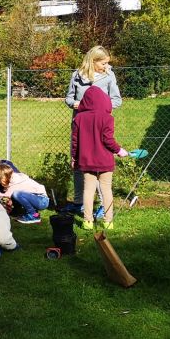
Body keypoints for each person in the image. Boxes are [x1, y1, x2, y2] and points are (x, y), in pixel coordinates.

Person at [64, 46, 122, 216]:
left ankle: (103, 206)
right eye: (103, 63)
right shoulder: (77, 75)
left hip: (99, 128)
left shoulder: (109, 76)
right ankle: (78, 203)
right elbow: (69, 98)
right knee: (78, 164)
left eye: (107, 63)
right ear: (93, 61)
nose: (106, 66)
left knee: (100, 166)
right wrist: (75, 104)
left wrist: (99, 109)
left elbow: (117, 100)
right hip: (81, 127)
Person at [71, 85, 129, 231]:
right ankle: (108, 221)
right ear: (104, 101)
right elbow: (108, 140)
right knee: (106, 190)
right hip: (105, 161)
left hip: (86, 161)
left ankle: (87, 221)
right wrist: (119, 150)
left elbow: (75, 142)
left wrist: (74, 158)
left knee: (88, 190)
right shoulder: (107, 118)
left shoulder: (79, 118)